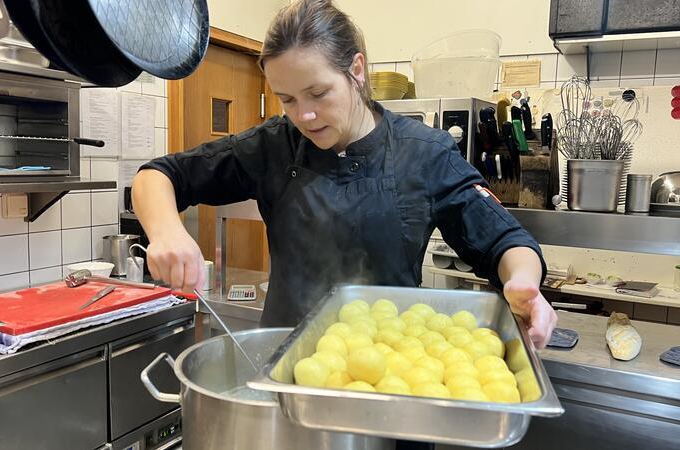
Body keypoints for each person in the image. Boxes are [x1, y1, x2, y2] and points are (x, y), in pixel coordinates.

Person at [133, 0, 556, 353]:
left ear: (357, 70)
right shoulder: (274, 146)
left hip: (391, 369)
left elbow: (505, 240)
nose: (304, 115)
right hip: (293, 367)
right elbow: (160, 175)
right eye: (287, 100)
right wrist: (168, 232)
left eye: (318, 94)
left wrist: (523, 283)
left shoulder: (423, 152)